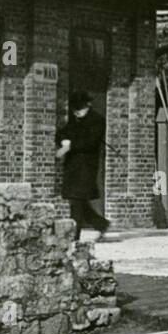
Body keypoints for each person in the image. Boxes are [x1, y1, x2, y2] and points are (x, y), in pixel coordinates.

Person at [56, 89, 110, 239]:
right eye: (75, 110)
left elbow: (90, 143)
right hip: (73, 166)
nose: (76, 113)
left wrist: (70, 145)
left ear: (87, 106)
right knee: (78, 200)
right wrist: (63, 141)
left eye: (79, 109)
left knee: (77, 201)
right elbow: (62, 133)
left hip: (86, 167)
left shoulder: (97, 121)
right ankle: (100, 223)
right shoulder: (76, 120)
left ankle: (75, 236)